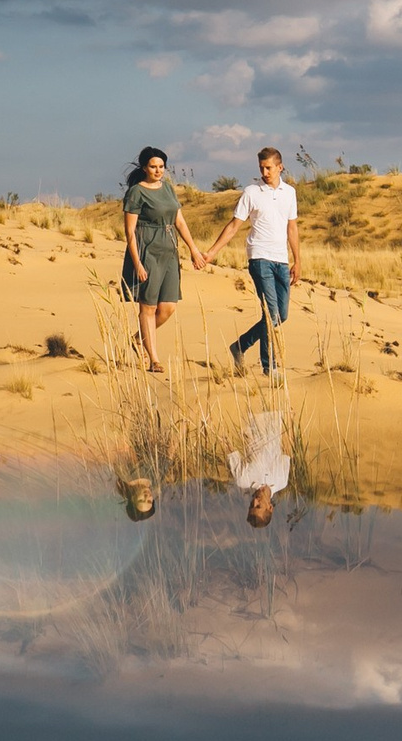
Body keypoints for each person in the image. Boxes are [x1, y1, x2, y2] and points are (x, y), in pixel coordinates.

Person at [207, 145, 299, 373]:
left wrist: (297, 260)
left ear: (280, 167)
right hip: (259, 257)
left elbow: (292, 228)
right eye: (261, 168)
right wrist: (212, 252)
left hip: (281, 260)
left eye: (268, 168)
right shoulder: (251, 192)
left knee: (281, 315)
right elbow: (234, 226)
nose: (264, 172)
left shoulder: (289, 192)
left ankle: (240, 345)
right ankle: (270, 367)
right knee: (270, 313)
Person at [120, 146, 208, 373]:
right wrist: (137, 263)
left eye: (161, 166)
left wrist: (194, 250)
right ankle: (154, 360)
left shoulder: (168, 188)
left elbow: (180, 221)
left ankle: (138, 339)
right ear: (144, 168)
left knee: (168, 307)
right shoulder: (136, 192)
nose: (158, 171)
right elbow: (129, 232)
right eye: (153, 167)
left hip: (169, 251)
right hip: (147, 250)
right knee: (148, 307)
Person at [229, 408, 290, 528]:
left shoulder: (243, 480)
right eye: (258, 506)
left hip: (251, 410)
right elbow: (288, 448)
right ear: (270, 507)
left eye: (251, 506)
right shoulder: (282, 481)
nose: (254, 501)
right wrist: (288, 419)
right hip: (276, 411)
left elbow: (228, 445)